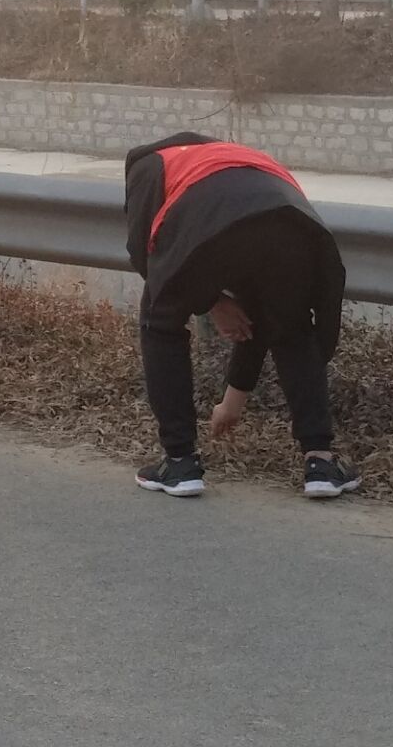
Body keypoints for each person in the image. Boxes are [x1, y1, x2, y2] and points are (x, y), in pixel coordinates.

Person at [124, 133, 355, 500]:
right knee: (292, 329)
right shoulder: (239, 155)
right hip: (291, 223)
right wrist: (234, 399)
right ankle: (321, 463)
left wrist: (208, 300)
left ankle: (180, 463)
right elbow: (261, 317)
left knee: (160, 323)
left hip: (207, 221)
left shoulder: (149, 164)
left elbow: (148, 260)